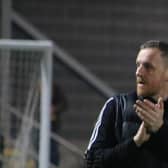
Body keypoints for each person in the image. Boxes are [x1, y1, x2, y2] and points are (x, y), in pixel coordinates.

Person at [85, 40, 168, 168]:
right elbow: (90, 163)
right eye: (138, 65)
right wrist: (136, 142)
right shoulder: (116, 106)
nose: (138, 72)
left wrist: (160, 130)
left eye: (148, 66)